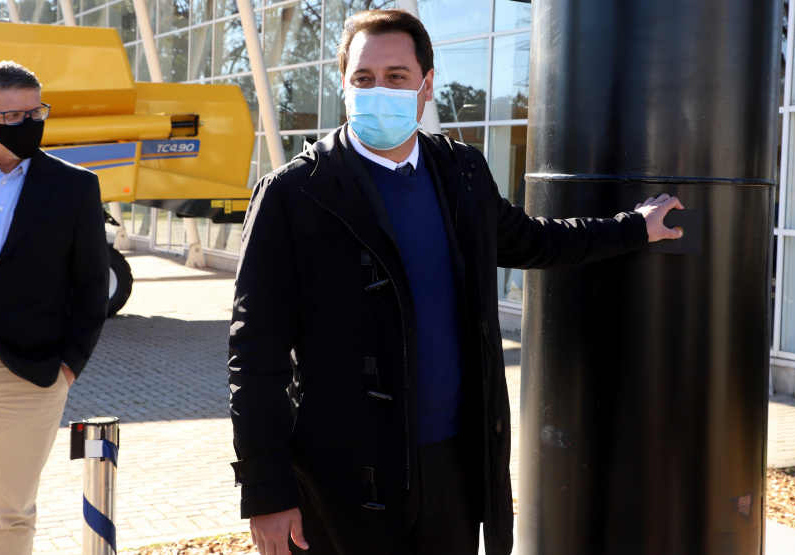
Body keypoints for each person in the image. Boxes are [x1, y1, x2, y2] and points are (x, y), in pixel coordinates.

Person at [227, 9, 684, 555]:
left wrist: (635, 227)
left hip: (455, 466)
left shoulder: (461, 172)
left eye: (396, 76)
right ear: (343, 84)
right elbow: (254, 354)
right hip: (341, 480)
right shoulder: (293, 193)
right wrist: (266, 493)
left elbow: (537, 240)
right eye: (363, 79)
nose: (379, 90)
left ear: (425, 85)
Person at [0, 61, 110, 555]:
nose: (28, 124)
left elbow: (91, 286)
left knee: (13, 514)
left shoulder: (75, 187)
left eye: (36, 112)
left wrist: (67, 368)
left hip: (30, 378)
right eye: (13, 117)